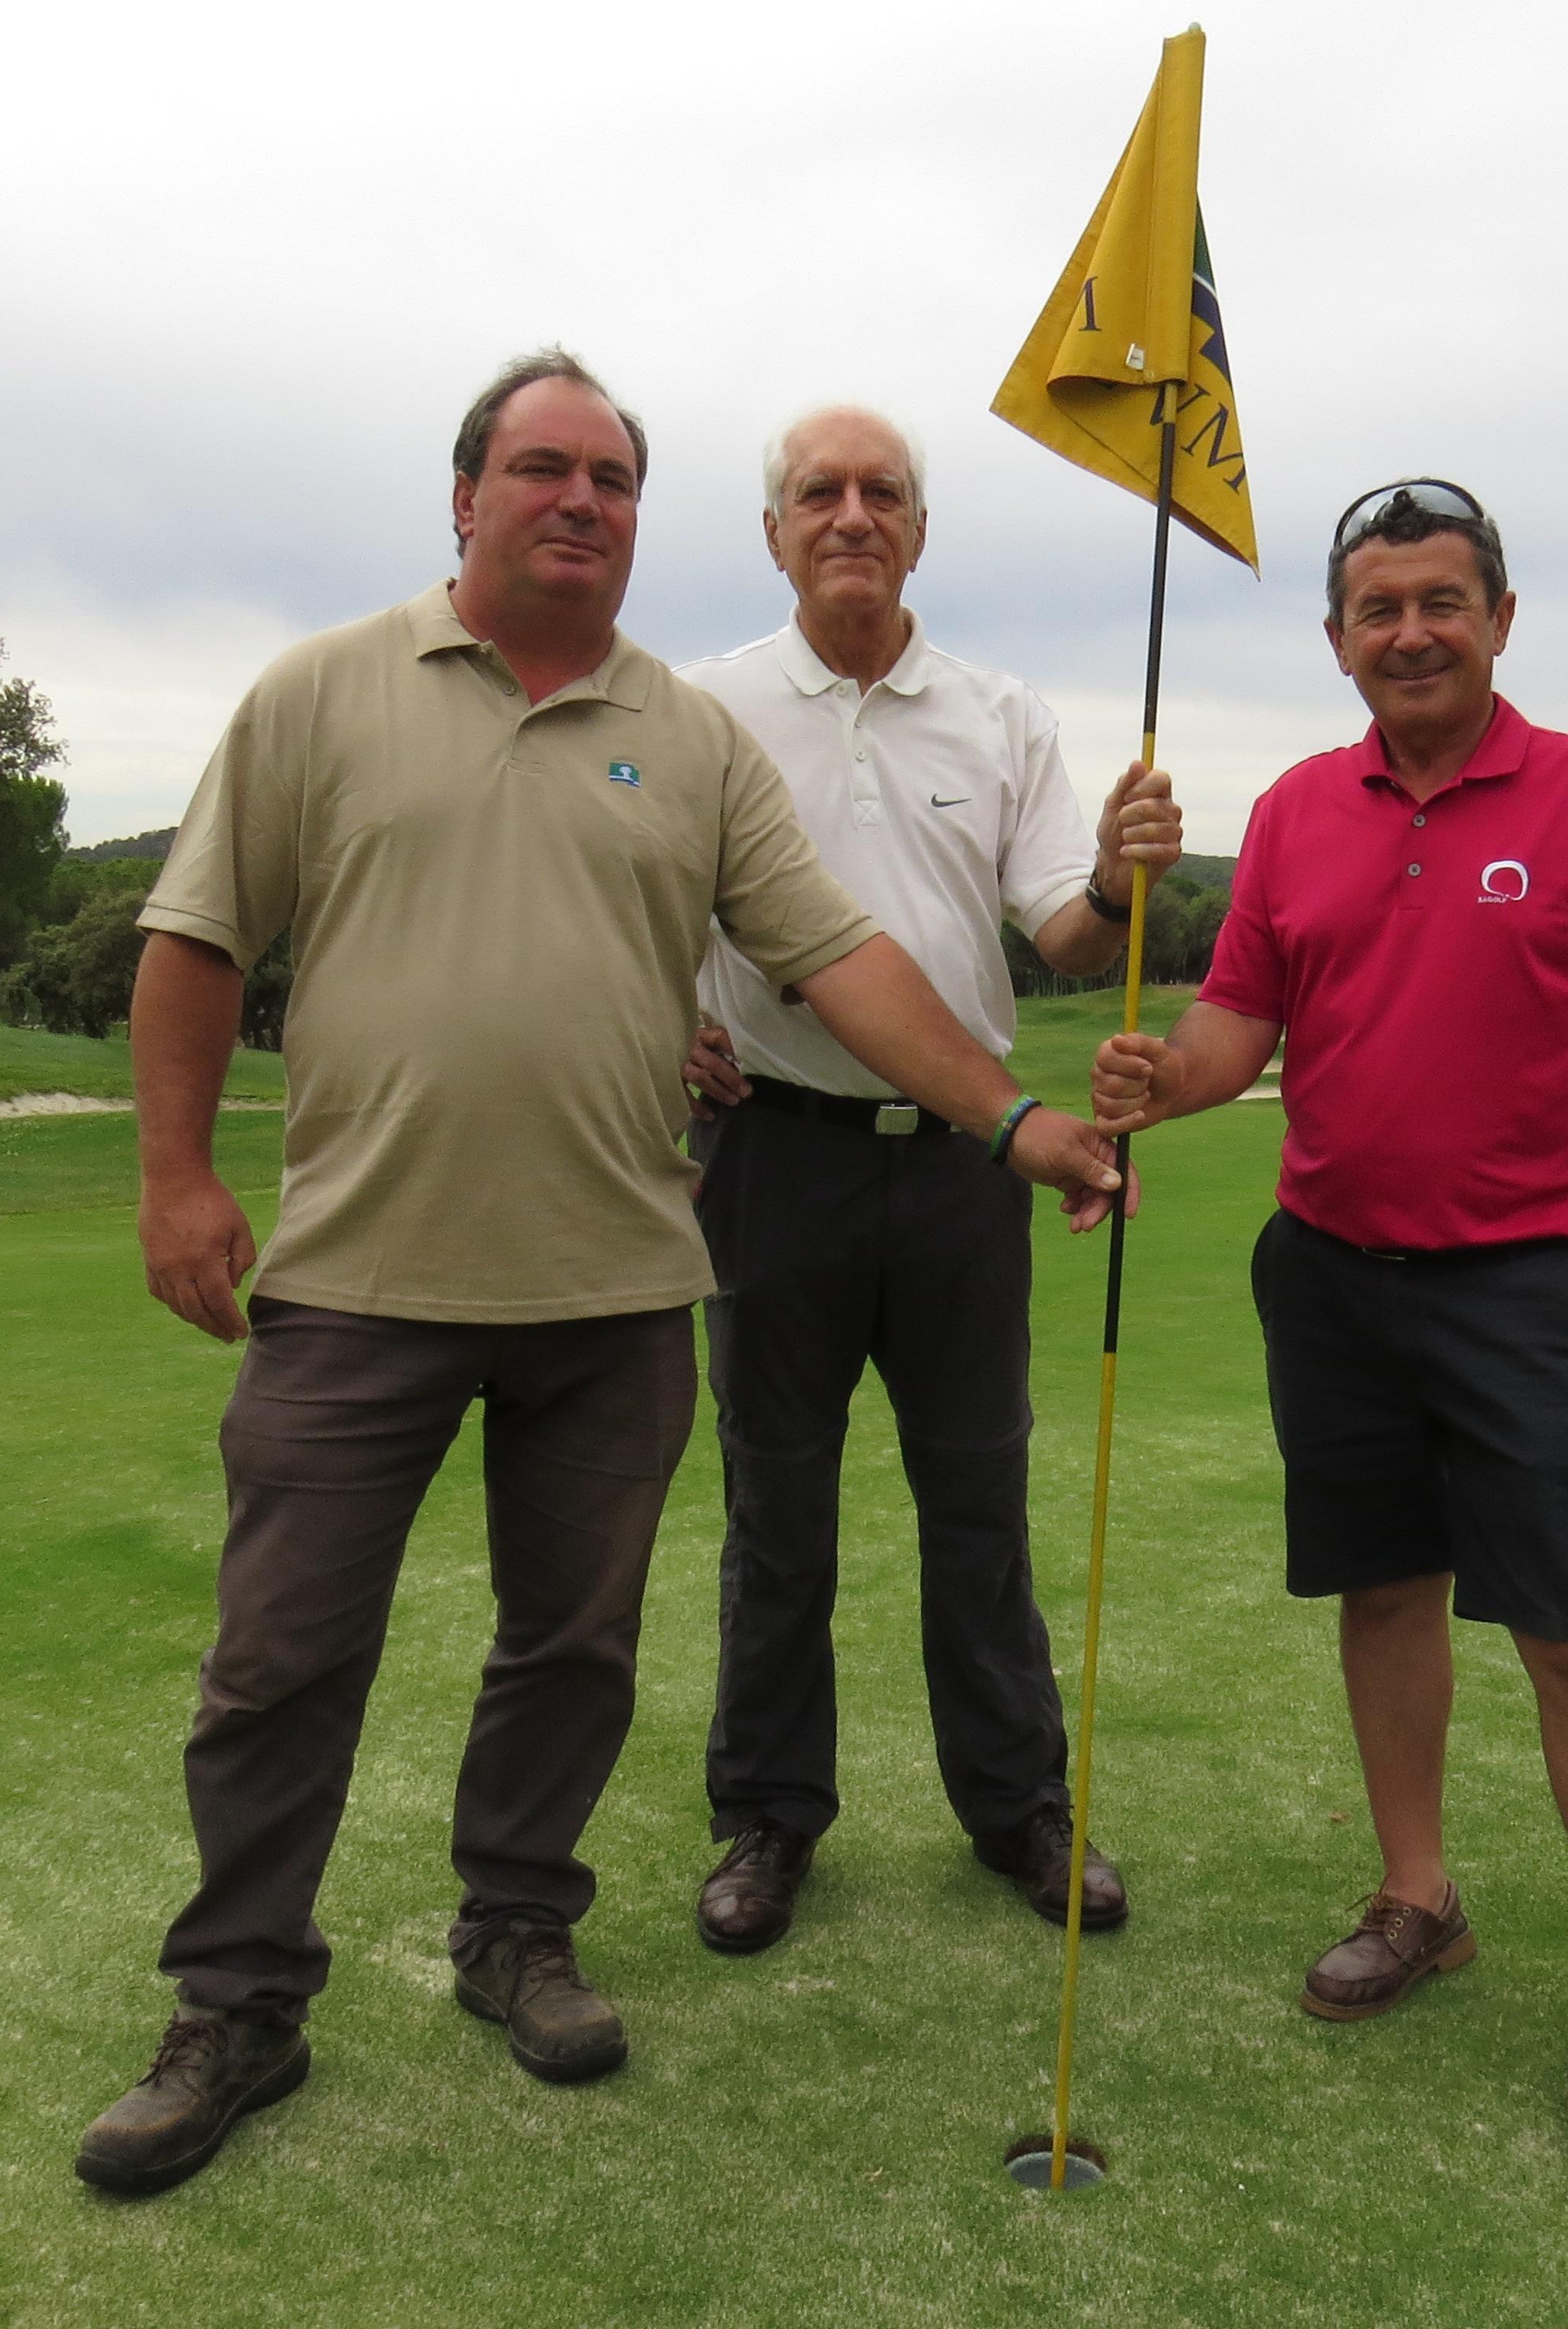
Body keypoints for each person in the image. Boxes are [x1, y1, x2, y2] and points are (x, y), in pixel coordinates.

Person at [74, 349, 1126, 2200]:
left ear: (641, 516)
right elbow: (195, 939)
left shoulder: (690, 737)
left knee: (569, 1654)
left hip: (617, 1280)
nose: (579, 501)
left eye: (612, 478)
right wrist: (174, 1180)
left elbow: (842, 961)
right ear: (465, 497)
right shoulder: (321, 691)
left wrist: (1009, 1119)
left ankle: (516, 1932)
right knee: (279, 1660)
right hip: (360, 1275)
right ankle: (237, 2001)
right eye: (543, 470)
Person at [1090, 478, 1568, 2181]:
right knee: (1380, 1592)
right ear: (1334, 641)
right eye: (1377, 610)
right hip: (1332, 1276)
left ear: (1498, 620)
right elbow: (1238, 1024)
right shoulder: (1300, 808)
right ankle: (1418, 1897)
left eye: (1440, 601)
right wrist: (1158, 1087)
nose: (1410, 632)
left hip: (1525, 1286)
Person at [671, 405, 1180, 1955]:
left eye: (879, 492)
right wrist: (658, 1012)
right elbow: (625, 907)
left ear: (916, 529)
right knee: (778, 1506)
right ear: (773, 533)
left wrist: (1111, 871)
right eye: (816, 494)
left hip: (965, 1163)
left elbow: (1065, 937)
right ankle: (767, 1816)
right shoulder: (703, 709)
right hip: (772, 1152)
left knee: (977, 1498)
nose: (849, 514)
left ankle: (1014, 1804)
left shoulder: (997, 712)